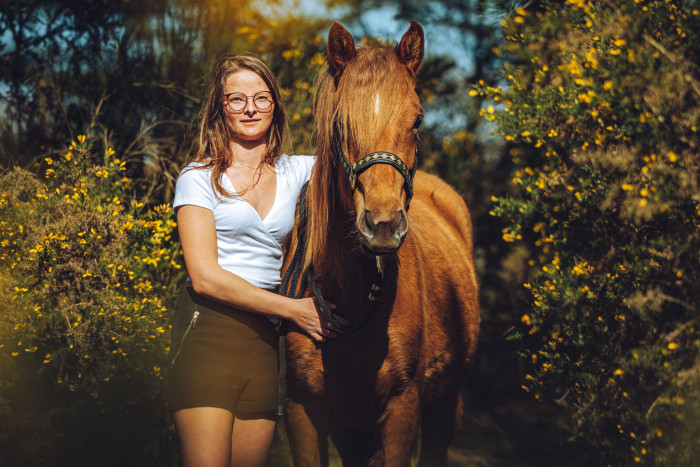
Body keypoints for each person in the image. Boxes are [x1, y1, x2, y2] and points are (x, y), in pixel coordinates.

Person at [169, 54, 341, 467]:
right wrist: (294, 310)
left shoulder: (299, 171)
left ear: (275, 108)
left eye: (262, 99)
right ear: (219, 108)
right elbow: (205, 277)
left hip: (266, 346)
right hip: (208, 334)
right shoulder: (197, 177)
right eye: (237, 99)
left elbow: (354, 162)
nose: (250, 109)